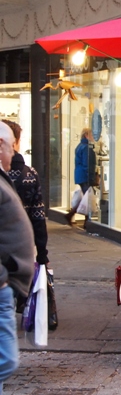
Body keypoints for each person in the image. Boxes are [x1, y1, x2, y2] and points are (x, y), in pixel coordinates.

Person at [0, 121, 35, 393]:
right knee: (7, 360)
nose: (14, 153)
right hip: (2, 284)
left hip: (7, 285)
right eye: (12, 147)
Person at [1, 120, 49, 266]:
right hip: (22, 248)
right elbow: (38, 218)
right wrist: (42, 255)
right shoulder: (30, 174)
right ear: (16, 142)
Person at [64, 128, 97, 225]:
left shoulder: (80, 146)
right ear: (86, 135)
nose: (93, 137)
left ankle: (73, 215)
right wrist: (91, 177)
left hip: (80, 175)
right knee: (88, 197)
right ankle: (86, 221)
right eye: (92, 134)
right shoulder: (87, 148)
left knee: (85, 197)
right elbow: (88, 164)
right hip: (84, 175)